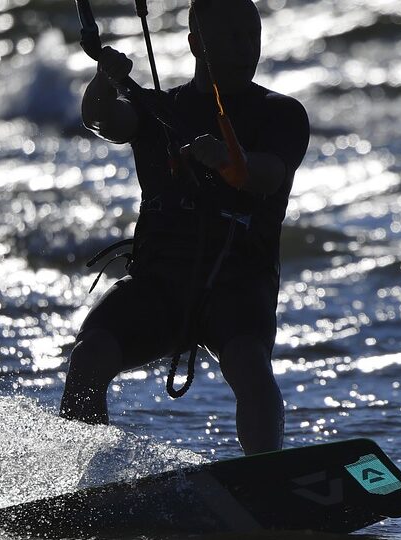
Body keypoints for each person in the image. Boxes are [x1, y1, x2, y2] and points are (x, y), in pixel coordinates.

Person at [59, 0, 310, 456]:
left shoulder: (282, 114)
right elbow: (100, 118)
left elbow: (266, 175)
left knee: (250, 368)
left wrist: (227, 159)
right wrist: (102, 78)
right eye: (229, 38)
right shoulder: (156, 109)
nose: (243, 48)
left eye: (250, 36)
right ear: (196, 44)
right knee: (88, 357)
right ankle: (82, 484)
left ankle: (266, 475)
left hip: (236, 284)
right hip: (160, 284)